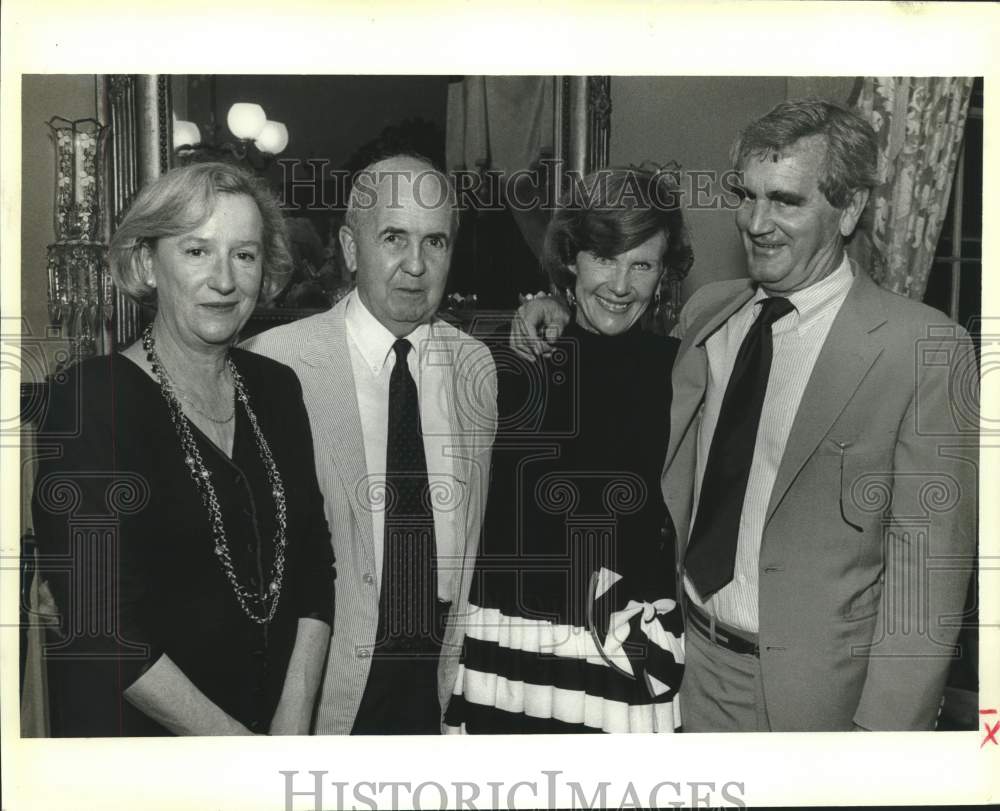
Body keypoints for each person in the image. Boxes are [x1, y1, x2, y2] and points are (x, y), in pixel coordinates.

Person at [512, 99, 978, 731]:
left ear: (849, 211)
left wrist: (883, 738)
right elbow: (622, 380)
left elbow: (926, 568)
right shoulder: (711, 313)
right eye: (746, 194)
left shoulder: (921, 346)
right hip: (681, 667)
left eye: (785, 200)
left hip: (819, 700)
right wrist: (555, 305)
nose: (756, 222)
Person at [32, 162, 336, 736]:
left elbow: (314, 569)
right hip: (147, 752)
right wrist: (237, 752)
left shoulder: (276, 388)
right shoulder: (89, 403)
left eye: (243, 255)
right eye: (197, 251)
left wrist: (290, 730)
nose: (224, 280)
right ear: (148, 263)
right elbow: (101, 626)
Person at [243, 154, 497, 734]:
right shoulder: (279, 363)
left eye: (435, 242)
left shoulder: (475, 366)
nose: (415, 265)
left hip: (437, 681)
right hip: (324, 686)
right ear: (352, 248)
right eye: (393, 238)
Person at [443, 168, 690, 734]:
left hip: (624, 648)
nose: (621, 285)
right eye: (605, 257)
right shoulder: (513, 362)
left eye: (643, 264)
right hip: (510, 640)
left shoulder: (682, 371)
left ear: (664, 275)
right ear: (572, 258)